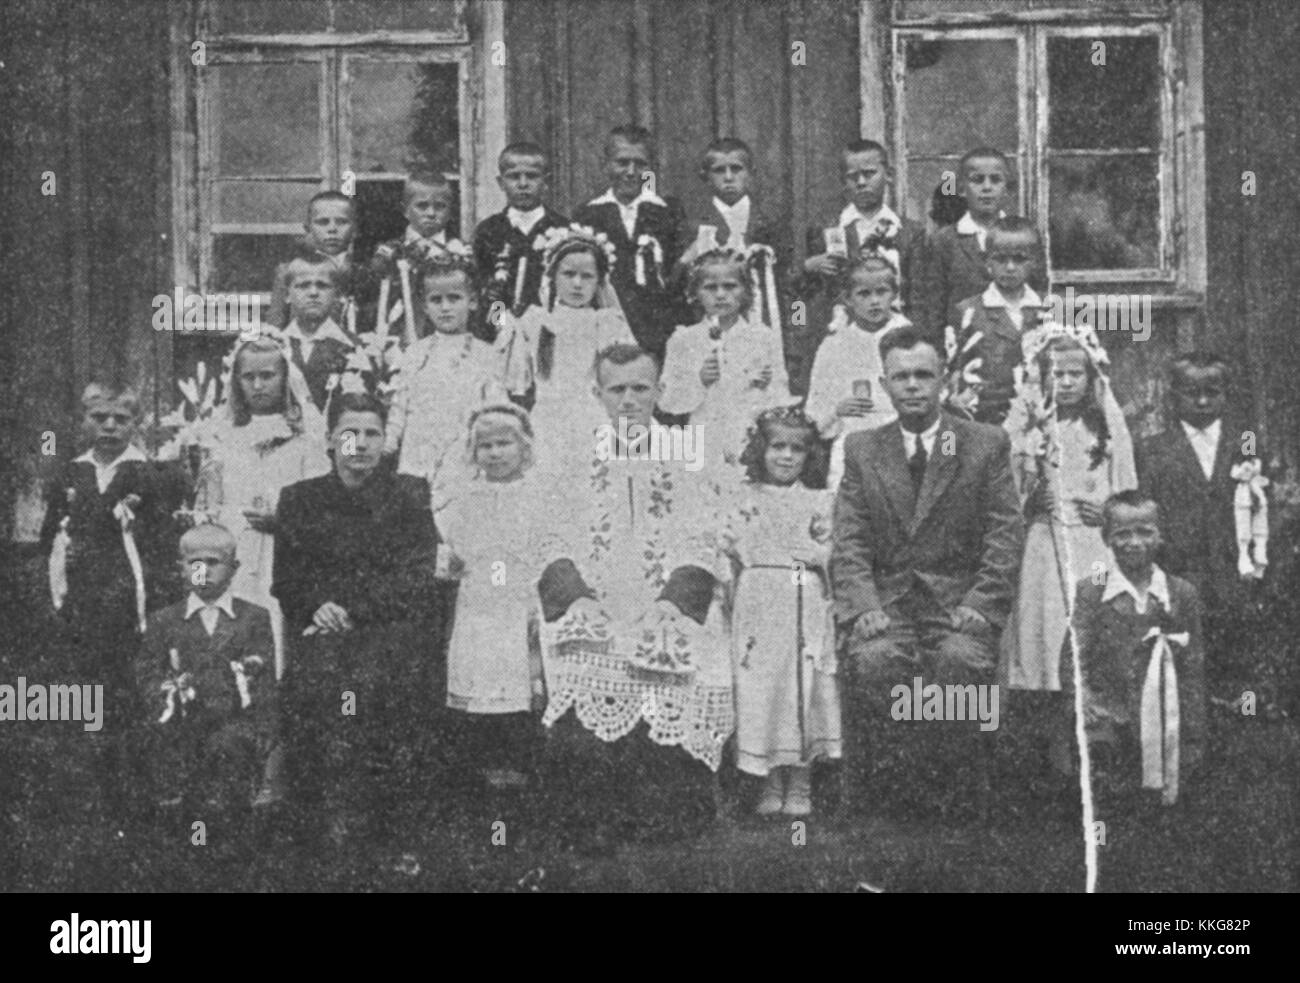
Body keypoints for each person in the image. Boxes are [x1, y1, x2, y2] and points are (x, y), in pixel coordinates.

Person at [535, 343, 731, 852]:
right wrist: (575, 598)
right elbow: (548, 534)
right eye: (617, 389)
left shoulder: (686, 452)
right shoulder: (573, 455)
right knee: (590, 676)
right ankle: (596, 818)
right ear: (596, 393)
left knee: (669, 671)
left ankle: (666, 817)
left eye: (640, 388)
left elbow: (704, 534)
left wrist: (671, 601)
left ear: (660, 391)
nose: (628, 400)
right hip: (592, 607)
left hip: (665, 605)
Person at [830, 327, 1022, 818]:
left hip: (956, 606)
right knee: (875, 663)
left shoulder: (983, 444)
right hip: (888, 607)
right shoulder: (863, 448)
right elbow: (849, 541)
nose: (913, 386)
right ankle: (895, 796)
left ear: (945, 380)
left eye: (924, 375)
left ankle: (953, 795)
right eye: (901, 377)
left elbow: (1004, 537)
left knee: (959, 664)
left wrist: (980, 604)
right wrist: (865, 607)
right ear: (884, 383)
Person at [272, 393, 441, 873]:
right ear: (329, 440)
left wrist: (352, 609)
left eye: (371, 434)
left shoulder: (409, 494)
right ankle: (327, 830)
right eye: (350, 433)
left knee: (389, 700)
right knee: (319, 699)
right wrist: (318, 606)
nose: (360, 443)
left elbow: (417, 576)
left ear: (385, 442)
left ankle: (393, 834)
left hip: (386, 632)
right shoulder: (300, 499)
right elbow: (286, 579)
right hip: (322, 632)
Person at [41, 382, 191, 821]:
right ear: (82, 420)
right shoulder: (70, 473)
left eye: (121, 419)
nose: (109, 426)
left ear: (137, 424)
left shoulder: (154, 475)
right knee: (90, 696)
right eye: (99, 417)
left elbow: (163, 547)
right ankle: (93, 792)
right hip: (83, 605)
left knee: (136, 695)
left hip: (133, 606)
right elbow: (53, 535)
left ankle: (142, 794)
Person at [1000, 328, 1136, 779]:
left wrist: (1109, 511)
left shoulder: (1106, 426)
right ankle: (1049, 757)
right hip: (1044, 544)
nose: (1067, 382)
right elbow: (1006, 491)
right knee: (1045, 642)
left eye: (1076, 373)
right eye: (1056, 373)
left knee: (1090, 641)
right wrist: (1029, 501)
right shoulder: (1029, 431)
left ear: (1091, 376)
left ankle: (1096, 752)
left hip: (1093, 544)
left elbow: (1128, 489)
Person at [720, 406, 840, 817]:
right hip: (757, 599)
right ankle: (770, 776)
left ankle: (801, 779)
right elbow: (728, 548)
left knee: (801, 686)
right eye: (777, 447)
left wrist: (816, 554)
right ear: (761, 449)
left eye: (797, 449)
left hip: (801, 596)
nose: (786, 457)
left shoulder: (818, 500)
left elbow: (832, 551)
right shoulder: (743, 496)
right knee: (762, 688)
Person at [1135, 352, 1269, 703]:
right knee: (1185, 665)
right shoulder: (1152, 450)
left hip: (1233, 572)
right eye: (1191, 393)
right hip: (1181, 571)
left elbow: (1262, 502)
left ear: (1226, 393)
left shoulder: (1245, 443)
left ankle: (1241, 718)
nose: (1203, 401)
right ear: (1172, 395)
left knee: (1237, 659)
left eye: (1213, 391)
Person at [1064, 491, 1207, 812]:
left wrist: (1194, 733)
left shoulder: (1180, 593)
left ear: (1160, 535)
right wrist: (1084, 697)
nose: (1134, 542)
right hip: (1111, 714)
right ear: (1106, 538)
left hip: (1164, 717)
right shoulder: (1092, 590)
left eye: (1145, 532)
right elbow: (1074, 654)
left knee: (1167, 805)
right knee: (1110, 795)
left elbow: (1193, 668)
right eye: (1122, 534)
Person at [136, 524, 276, 850]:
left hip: (234, 730)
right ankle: (189, 853)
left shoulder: (253, 617)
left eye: (213, 562)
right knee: (181, 801)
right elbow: (147, 672)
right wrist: (168, 696)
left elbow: (264, 680)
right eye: (193, 562)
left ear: (234, 568)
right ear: (180, 568)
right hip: (180, 728)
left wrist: (262, 730)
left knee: (226, 785)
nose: (203, 570)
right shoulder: (164, 620)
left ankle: (223, 855)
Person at [437, 404, 548, 790]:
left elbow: (544, 547)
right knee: (478, 681)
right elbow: (450, 544)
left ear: (524, 447)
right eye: (486, 446)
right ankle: (485, 777)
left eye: (504, 443)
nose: (496, 453)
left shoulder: (537, 495)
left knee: (518, 683)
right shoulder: (465, 496)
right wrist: (450, 562)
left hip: (519, 603)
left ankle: (518, 774)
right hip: (478, 604)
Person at [795, 139, 925, 394]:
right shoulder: (829, 229)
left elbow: (921, 294)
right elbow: (807, 295)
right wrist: (810, 267)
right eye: (853, 177)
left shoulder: (909, 232)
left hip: (897, 333)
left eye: (869, 174)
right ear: (844, 182)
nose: (862, 183)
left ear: (887, 175)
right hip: (846, 333)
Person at [493, 224, 633, 461]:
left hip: (595, 417)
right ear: (552, 276)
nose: (577, 284)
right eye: (569, 274)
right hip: (548, 419)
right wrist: (507, 328)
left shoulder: (607, 323)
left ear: (599, 281)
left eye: (587, 276)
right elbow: (513, 378)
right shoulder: (536, 321)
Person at [383, 247, 507, 496]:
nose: (445, 308)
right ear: (425, 307)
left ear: (472, 302)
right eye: (436, 300)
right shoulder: (414, 353)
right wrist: (387, 445)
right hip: (417, 459)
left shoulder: (486, 354)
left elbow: (496, 411)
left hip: (463, 460)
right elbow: (399, 407)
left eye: (454, 298)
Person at [674, 137, 794, 383]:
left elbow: (791, 285)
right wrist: (688, 257)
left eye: (736, 169)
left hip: (767, 322)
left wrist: (797, 329)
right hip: (716, 332)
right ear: (706, 175)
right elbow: (678, 283)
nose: (728, 178)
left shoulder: (770, 221)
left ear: (751, 173)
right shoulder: (693, 224)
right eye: (719, 170)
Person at [659, 248, 790, 472]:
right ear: (696, 293)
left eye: (730, 286)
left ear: (746, 291)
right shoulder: (683, 339)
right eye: (710, 287)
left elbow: (781, 396)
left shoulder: (762, 336)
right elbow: (668, 402)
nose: (720, 295)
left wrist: (766, 388)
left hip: (749, 439)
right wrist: (699, 380)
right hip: (704, 439)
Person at [572, 124, 687, 358]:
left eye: (641, 164)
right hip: (605, 328)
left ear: (651, 168)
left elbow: (676, 277)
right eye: (622, 162)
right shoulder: (588, 215)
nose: (631, 171)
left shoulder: (667, 213)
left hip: (659, 330)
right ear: (606, 165)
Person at [913, 147, 1047, 339]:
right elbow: (933, 306)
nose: (986, 188)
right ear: (961, 189)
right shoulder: (944, 241)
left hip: (1020, 338)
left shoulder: (1024, 236)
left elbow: (1038, 291)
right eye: (977, 180)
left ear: (1007, 188)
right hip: (964, 341)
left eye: (995, 180)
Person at [804, 254, 910, 489]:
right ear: (848, 299)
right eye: (864, 294)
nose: (874, 302)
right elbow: (816, 409)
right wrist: (835, 411)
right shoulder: (834, 345)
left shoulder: (910, 338)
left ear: (894, 293)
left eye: (881, 292)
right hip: (852, 442)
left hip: (902, 442)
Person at [944, 217, 1046, 425]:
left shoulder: (1047, 309)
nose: (1010, 267)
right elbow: (952, 369)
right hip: (985, 421)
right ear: (987, 261)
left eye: (1019, 259)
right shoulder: (968, 311)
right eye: (1001, 259)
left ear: (1034, 262)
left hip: (1037, 421)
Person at [472, 142, 569, 318]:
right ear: (501, 183)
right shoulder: (489, 230)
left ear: (545, 181)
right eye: (514, 177)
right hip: (500, 324)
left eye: (532, 176)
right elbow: (488, 290)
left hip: (549, 326)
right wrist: (499, 328)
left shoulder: (562, 229)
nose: (523, 184)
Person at [267, 190, 375, 333]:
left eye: (342, 222)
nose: (332, 229)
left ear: (355, 229)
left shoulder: (366, 272)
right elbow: (274, 325)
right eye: (323, 222)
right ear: (308, 229)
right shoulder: (289, 270)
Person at [370, 172, 459, 340]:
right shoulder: (391, 251)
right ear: (405, 210)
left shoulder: (459, 253)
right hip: (399, 340)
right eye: (422, 206)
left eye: (440, 206)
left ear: (450, 212)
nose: (431, 213)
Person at [280, 248, 358, 411]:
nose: (313, 293)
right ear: (287, 294)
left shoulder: (355, 347)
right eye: (303, 286)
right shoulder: (276, 345)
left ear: (336, 295)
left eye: (322, 286)